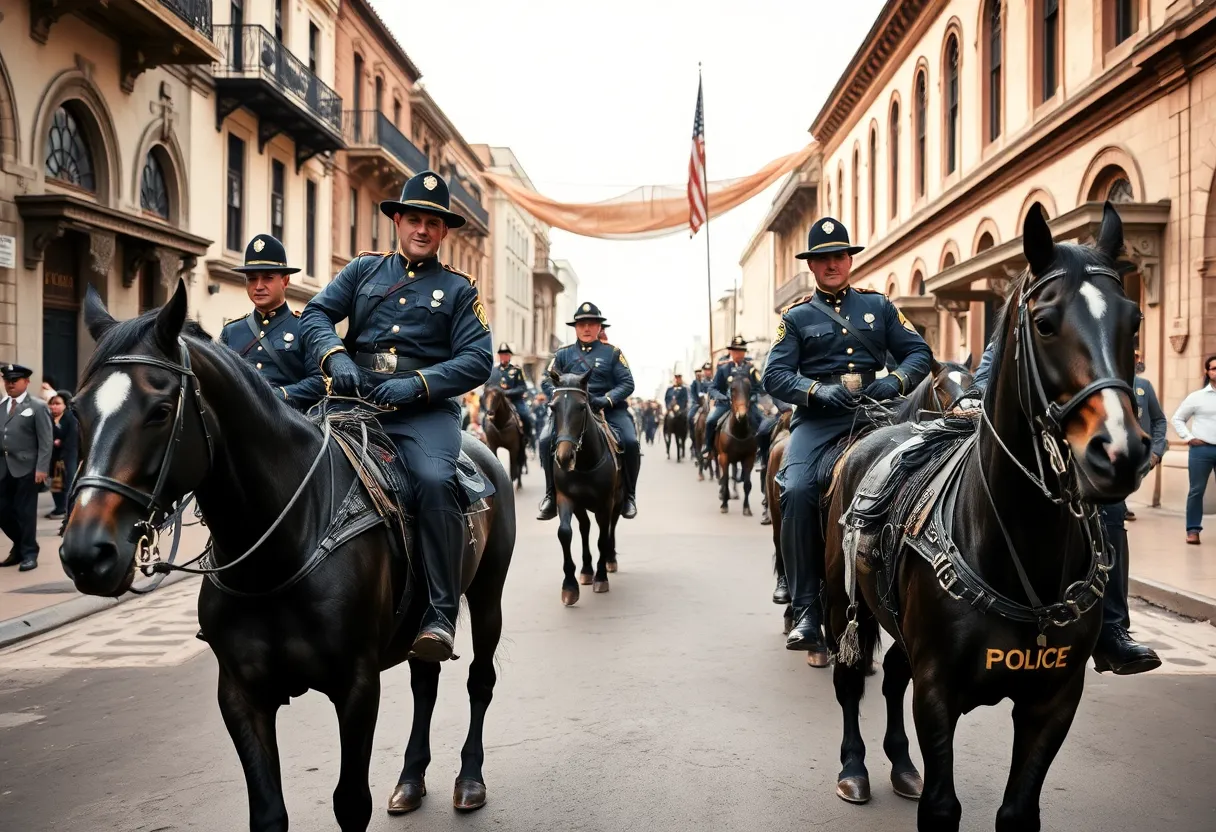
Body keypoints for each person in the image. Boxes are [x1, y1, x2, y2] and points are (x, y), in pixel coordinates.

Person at [299, 170, 493, 662]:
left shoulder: (459, 290)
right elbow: (317, 315)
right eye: (413, 219)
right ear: (398, 222)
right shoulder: (363, 272)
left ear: (443, 231)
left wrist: (417, 384)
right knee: (285, 457)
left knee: (432, 479)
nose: (421, 229)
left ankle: (439, 614)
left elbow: (477, 359)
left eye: (432, 222)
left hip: (422, 412)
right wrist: (336, 359)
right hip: (352, 398)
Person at [762, 217, 932, 657]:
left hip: (877, 414)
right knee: (796, 489)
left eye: (839, 256)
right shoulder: (796, 317)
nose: (832, 264)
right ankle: (806, 611)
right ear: (813, 266)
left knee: (921, 480)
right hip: (819, 420)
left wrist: (894, 382)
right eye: (823, 259)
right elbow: (775, 375)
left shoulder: (880, 307)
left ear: (849, 260)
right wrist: (817, 390)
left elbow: (919, 354)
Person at [537, 302, 639, 520]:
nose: (586, 328)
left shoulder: (612, 353)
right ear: (575, 327)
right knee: (545, 440)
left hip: (608, 410)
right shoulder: (563, 354)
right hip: (572, 413)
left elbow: (627, 383)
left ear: (599, 327)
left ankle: (629, 495)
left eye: (591, 324)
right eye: (582, 324)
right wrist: (561, 397)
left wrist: (606, 399)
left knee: (631, 442)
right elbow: (546, 380)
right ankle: (551, 496)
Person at [220, 234, 327, 411]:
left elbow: (321, 382)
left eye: (268, 277)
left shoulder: (304, 327)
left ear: (285, 281)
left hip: (292, 426)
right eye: (252, 279)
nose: (259, 286)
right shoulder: (231, 332)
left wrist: (279, 395)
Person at [0, 364, 53, 571]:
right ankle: (21, 546)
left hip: (27, 468)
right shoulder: (2, 405)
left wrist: (42, 468)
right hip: (3, 468)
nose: (10, 384)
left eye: (14, 380)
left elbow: (46, 441)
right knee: (2, 511)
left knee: (25, 512)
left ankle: (29, 553)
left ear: (26, 382)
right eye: (7, 380)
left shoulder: (38, 406)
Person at [1171, 354, 1216, 545]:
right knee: (1196, 491)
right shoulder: (1197, 397)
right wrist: (1188, 438)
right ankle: (1193, 530)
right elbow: (1177, 418)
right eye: (1214, 368)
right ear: (1207, 371)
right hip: (1201, 451)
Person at [704, 335, 764, 454]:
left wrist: (752, 397)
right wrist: (721, 397)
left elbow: (759, 387)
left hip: (747, 405)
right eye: (736, 350)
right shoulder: (723, 367)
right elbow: (713, 388)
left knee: (763, 423)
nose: (739, 353)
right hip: (724, 404)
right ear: (731, 351)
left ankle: (762, 451)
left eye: (741, 350)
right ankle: (708, 448)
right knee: (710, 420)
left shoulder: (750, 367)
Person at [1126, 350, 1166, 522]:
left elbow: (1159, 420)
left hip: (1138, 452)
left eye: (1135, 357)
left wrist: (1156, 451)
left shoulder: (1144, 386)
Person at [484, 343, 534, 444]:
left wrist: (506, 393)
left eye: (506, 354)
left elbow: (522, 387)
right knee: (484, 417)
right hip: (497, 402)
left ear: (510, 356)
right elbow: (488, 386)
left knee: (525, 416)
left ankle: (526, 437)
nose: (504, 356)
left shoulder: (517, 370)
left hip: (514, 400)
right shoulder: (493, 371)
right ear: (498, 356)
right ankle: (486, 437)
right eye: (501, 354)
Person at [756, 398, 794, 525]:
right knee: (762, 430)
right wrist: (787, 408)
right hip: (784, 413)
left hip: (811, 415)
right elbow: (777, 390)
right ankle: (763, 458)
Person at [47, 390, 78, 519]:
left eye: (57, 403)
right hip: (53, 456)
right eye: (52, 404)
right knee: (55, 484)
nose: (54, 406)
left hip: (67, 456)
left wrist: (60, 442)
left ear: (65, 405)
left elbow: (73, 439)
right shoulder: (48, 418)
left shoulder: (71, 419)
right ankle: (58, 507)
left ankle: (67, 509)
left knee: (67, 482)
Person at [688, 362, 713, 429]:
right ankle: (693, 436)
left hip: (713, 403)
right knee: (690, 416)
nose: (707, 372)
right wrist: (704, 395)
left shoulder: (714, 381)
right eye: (706, 370)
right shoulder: (699, 382)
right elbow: (698, 393)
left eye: (709, 370)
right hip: (700, 403)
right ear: (703, 371)